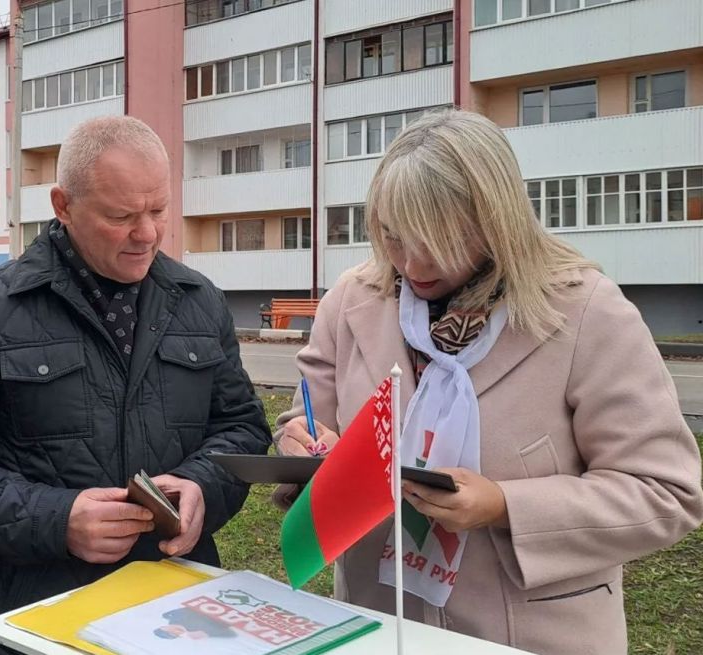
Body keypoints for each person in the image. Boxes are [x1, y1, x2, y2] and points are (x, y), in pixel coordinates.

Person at [273, 110, 703, 655]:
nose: (410, 263)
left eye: (436, 239)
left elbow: (666, 492)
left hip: (530, 636)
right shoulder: (355, 300)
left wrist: (504, 505)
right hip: (376, 627)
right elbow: (307, 420)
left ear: (495, 219)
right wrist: (303, 445)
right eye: (392, 236)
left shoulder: (585, 312)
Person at [0, 115, 271, 655]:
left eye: (159, 210)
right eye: (121, 216)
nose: (146, 233)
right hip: (44, 618)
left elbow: (240, 426)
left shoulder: (199, 300)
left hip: (179, 615)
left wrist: (201, 487)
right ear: (64, 205)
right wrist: (57, 520)